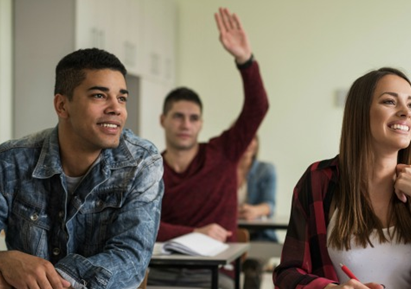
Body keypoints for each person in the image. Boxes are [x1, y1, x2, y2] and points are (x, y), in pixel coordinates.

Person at [273, 68, 411, 288]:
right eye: (390, 102)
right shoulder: (318, 180)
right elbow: (287, 275)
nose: (406, 112)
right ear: (360, 113)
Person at [0, 48, 164, 288]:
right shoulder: (11, 160)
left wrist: (45, 281)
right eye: (99, 95)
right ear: (62, 105)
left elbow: (129, 258)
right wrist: (4, 259)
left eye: (121, 98)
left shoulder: (141, 163)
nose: (116, 108)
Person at [148, 7, 269, 288]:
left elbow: (257, 107)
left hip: (214, 273)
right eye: (178, 116)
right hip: (159, 269)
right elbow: (144, 225)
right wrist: (194, 232)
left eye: (193, 118)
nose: (185, 124)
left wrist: (245, 59)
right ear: (163, 120)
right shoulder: (150, 168)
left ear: (201, 124)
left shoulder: (223, 152)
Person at [237, 135, 278, 242]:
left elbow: (270, 205)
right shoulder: (223, 171)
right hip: (229, 232)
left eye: (252, 138)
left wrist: (254, 211)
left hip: (258, 234)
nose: (248, 142)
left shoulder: (266, 169)